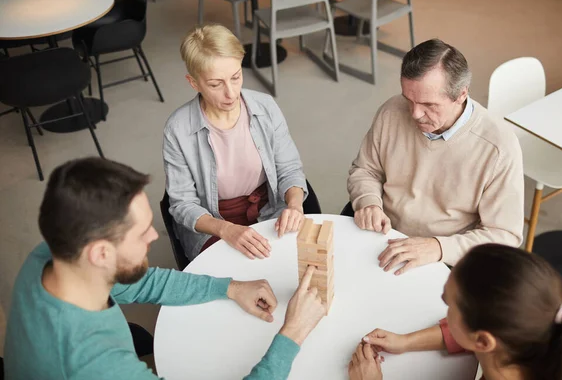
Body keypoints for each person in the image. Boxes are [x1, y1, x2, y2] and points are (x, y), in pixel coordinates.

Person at [3, 157, 326, 380]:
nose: (155, 235)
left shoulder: (54, 254)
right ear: (100, 253)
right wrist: (293, 333)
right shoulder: (94, 364)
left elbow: (141, 282)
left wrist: (228, 287)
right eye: (142, 232)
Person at [347, 39, 524, 274]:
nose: (415, 114)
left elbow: (505, 234)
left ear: (461, 95)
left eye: (429, 104)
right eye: (409, 99)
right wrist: (368, 201)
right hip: (383, 233)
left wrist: (439, 247)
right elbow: (365, 170)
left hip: (445, 254)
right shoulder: (391, 111)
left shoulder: (498, 147)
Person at [348, 244, 562, 380]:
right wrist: (405, 341)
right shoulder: (526, 343)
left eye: (449, 303)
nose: (442, 302)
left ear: (482, 341)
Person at [164, 24, 307, 261]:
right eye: (215, 84)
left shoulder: (266, 107)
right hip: (213, 224)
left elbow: (289, 169)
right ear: (193, 83)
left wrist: (294, 205)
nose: (231, 93)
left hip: (269, 209)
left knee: (291, 267)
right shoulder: (177, 130)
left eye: (236, 77)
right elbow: (182, 204)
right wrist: (226, 229)